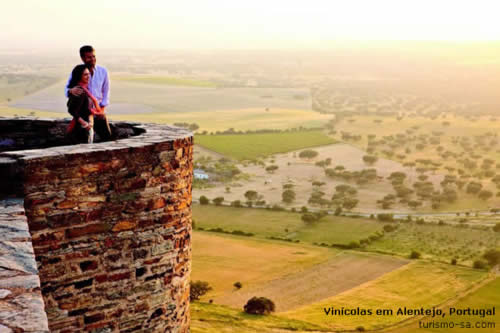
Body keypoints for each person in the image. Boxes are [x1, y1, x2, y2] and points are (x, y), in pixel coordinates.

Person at [65, 45, 111, 141]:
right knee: (86, 140)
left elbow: (106, 91)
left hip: (98, 110)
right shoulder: (79, 71)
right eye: (89, 57)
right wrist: (70, 90)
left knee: (107, 138)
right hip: (84, 112)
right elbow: (67, 89)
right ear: (82, 58)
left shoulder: (103, 71)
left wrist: (101, 109)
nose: (92, 59)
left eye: (93, 56)